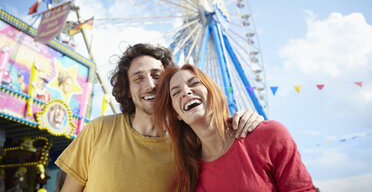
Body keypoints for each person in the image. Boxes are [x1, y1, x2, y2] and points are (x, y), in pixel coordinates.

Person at [55, 43, 264, 191]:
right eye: (138, 78)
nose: (150, 85)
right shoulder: (98, 130)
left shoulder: (187, 146)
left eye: (157, 75)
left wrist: (248, 121)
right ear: (127, 90)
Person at [153, 64, 316, 192]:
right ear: (176, 114)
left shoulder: (269, 135)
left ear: (212, 92)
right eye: (176, 93)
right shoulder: (189, 173)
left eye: (194, 83)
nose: (186, 92)